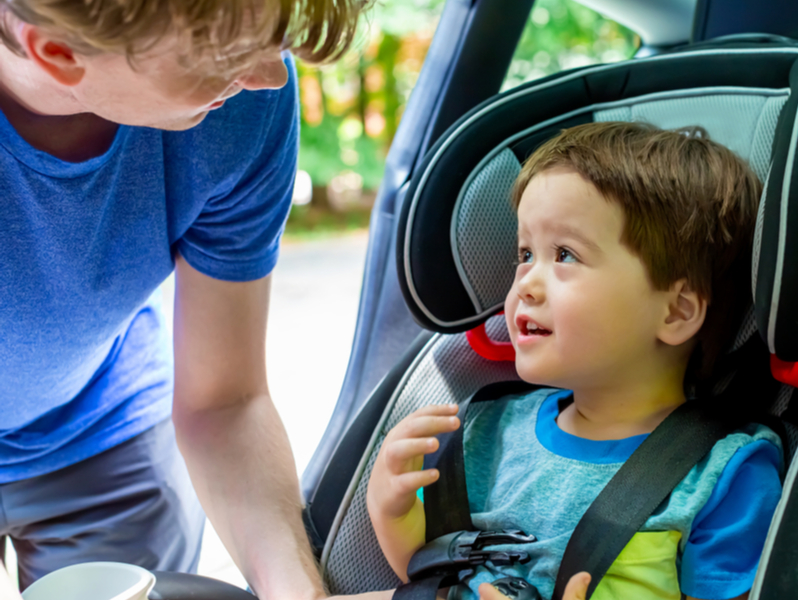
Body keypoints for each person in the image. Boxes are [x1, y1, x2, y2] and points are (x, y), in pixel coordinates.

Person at [0, 0, 366, 596]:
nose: (271, 76)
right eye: (223, 57)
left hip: (103, 426)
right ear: (59, 54)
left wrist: (298, 591)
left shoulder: (242, 106)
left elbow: (226, 401)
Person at [366, 122, 784, 600]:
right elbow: (433, 579)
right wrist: (393, 516)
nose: (525, 282)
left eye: (565, 255)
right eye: (525, 253)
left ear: (675, 312)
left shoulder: (721, 476)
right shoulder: (487, 432)